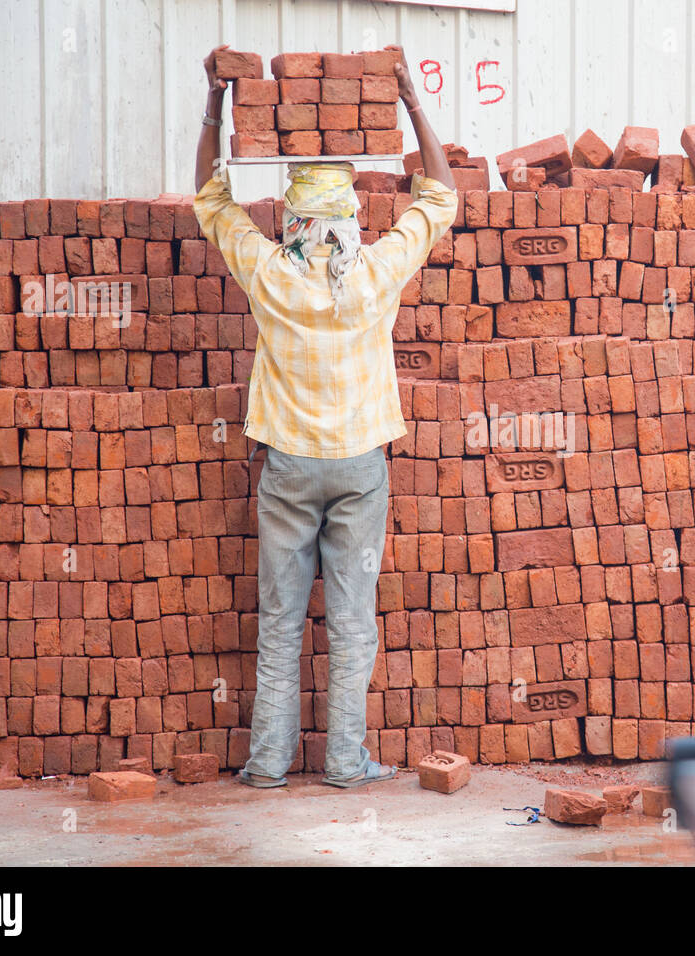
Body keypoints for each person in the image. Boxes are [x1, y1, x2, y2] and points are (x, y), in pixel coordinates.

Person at [192, 44, 457, 788]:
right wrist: (410, 97)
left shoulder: (271, 274)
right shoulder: (375, 272)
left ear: (293, 223)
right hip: (359, 470)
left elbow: (210, 200)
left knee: (279, 620)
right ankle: (344, 762)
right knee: (351, 623)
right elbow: (441, 196)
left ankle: (268, 764)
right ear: (350, 225)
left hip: (288, 468)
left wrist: (214, 106)